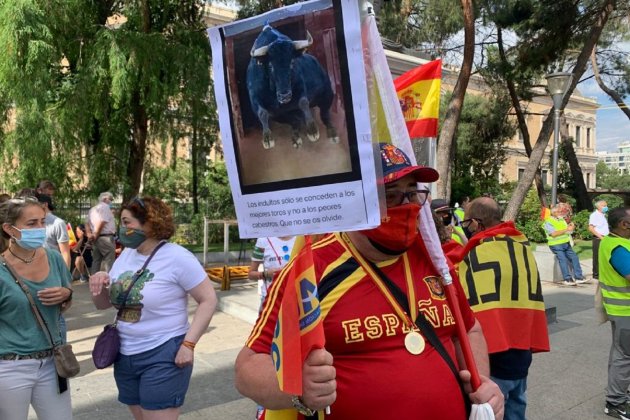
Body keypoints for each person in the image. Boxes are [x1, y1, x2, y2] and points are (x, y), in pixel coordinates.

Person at [234, 143, 504, 420]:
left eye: (413, 193)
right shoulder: (311, 271)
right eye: (391, 195)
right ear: (354, 200)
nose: (407, 206)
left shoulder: (435, 260)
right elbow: (248, 366)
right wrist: (295, 385)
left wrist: (482, 379)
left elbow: (469, 330)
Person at [89, 196, 218, 420]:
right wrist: (99, 283)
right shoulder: (126, 255)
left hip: (164, 352)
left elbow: (208, 299)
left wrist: (189, 344)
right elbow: (104, 305)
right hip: (125, 353)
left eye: (127, 222)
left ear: (149, 223)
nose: (122, 228)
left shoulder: (177, 257)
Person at [456, 197, 550, 420]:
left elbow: (466, 311)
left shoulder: (475, 254)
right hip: (522, 350)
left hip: (493, 357)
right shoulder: (521, 247)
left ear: (477, 224)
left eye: (466, 222)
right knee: (518, 407)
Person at [0, 196, 73, 420]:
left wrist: (66, 294)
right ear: (9, 229)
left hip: (53, 363)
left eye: (42, 222)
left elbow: (65, 303)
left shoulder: (54, 258)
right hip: (10, 367)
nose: (40, 229)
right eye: (32, 224)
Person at [598, 207, 630, 419]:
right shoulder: (617, 247)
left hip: (622, 309)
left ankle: (617, 395)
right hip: (624, 310)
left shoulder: (616, 242)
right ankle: (615, 402)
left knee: (621, 353)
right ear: (624, 224)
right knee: (624, 356)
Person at [248, 236, 297, 310]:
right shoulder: (263, 240)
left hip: (294, 298)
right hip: (270, 299)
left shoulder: (301, 238)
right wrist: (267, 274)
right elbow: (251, 274)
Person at [543, 204, 586, 286]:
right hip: (556, 244)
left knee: (574, 257)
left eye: (561, 211)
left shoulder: (561, 220)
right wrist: (566, 229)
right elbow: (553, 234)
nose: (561, 213)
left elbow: (567, 232)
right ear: (554, 213)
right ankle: (567, 279)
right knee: (563, 260)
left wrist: (571, 228)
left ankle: (579, 277)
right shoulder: (548, 222)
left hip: (566, 243)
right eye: (559, 211)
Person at [35, 193, 71, 269]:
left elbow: (65, 253)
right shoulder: (31, 223)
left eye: (35, 203)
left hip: (53, 268)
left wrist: (65, 276)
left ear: (44, 204)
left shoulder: (58, 223)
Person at [86, 191, 116, 274]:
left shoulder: (92, 209)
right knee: (109, 259)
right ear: (105, 199)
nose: (111, 201)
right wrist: (95, 235)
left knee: (96, 260)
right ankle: (108, 281)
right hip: (105, 237)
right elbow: (101, 222)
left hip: (97, 238)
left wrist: (90, 235)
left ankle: (93, 279)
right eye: (110, 199)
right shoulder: (105, 207)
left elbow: (87, 223)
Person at [589, 200, 609, 281]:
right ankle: (596, 274)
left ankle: (604, 272)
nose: (606, 207)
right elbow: (591, 228)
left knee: (604, 256)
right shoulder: (594, 215)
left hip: (606, 238)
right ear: (598, 206)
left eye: (606, 205)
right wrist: (601, 237)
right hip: (599, 238)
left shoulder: (603, 215)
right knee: (597, 256)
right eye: (604, 206)